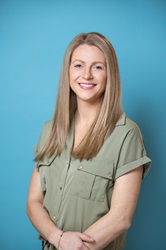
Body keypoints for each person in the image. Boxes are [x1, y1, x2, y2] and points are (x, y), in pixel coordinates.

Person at [26, 32, 151, 250]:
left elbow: (121, 218)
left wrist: (75, 246)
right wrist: (58, 238)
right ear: (68, 71)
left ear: (109, 74)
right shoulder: (50, 130)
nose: (86, 75)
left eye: (97, 67)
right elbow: (33, 202)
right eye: (78, 65)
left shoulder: (126, 134)